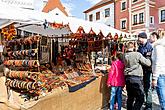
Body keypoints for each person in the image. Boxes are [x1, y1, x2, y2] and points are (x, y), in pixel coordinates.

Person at [124, 42, 151, 110]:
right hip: (136, 78)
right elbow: (148, 63)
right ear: (133, 47)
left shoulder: (124, 55)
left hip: (127, 78)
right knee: (140, 98)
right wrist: (148, 56)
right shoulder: (137, 54)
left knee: (130, 97)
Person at [137, 32, 153, 110]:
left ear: (142, 38)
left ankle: (149, 106)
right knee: (142, 87)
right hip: (141, 70)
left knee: (148, 88)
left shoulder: (149, 47)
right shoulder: (140, 46)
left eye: (139, 38)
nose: (138, 39)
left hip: (147, 71)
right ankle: (145, 101)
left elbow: (149, 62)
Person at [152, 31, 165, 110]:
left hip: (160, 73)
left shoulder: (158, 46)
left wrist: (154, 78)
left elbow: (158, 63)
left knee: (162, 97)